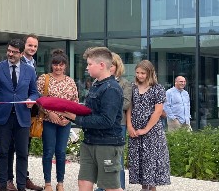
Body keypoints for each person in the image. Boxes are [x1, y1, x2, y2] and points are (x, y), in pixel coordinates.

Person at [59, 47, 124, 191]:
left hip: (107, 144)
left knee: (111, 186)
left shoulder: (111, 88)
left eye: (89, 64)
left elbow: (106, 121)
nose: (87, 68)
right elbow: (90, 112)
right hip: (90, 141)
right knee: (83, 182)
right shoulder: (97, 86)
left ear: (101, 65)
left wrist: (76, 118)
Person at [0, 39, 39, 191]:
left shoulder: (29, 70)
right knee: (3, 152)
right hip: (2, 117)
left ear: (21, 53)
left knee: (23, 153)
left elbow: (34, 92)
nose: (10, 54)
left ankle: (22, 185)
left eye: (14, 52)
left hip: (22, 117)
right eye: (9, 50)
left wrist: (32, 99)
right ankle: (3, 184)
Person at [36, 50, 78, 191]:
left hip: (65, 123)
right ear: (51, 65)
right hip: (49, 121)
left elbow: (75, 103)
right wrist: (50, 113)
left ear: (65, 66)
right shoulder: (44, 79)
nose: (58, 68)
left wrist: (67, 118)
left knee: (61, 152)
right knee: (48, 151)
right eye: (55, 64)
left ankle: (60, 183)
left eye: (61, 65)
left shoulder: (70, 82)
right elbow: (39, 100)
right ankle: (48, 183)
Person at [127, 60, 171, 190]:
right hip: (135, 130)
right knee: (138, 160)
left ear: (150, 73)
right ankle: (143, 187)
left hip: (152, 131)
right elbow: (129, 107)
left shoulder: (158, 89)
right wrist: (129, 126)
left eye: (143, 73)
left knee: (151, 161)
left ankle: (151, 188)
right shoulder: (132, 87)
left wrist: (146, 129)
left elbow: (158, 112)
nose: (140, 75)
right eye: (137, 73)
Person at [10, 34, 42, 191]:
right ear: (23, 47)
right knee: (9, 148)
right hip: (10, 112)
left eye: (35, 46)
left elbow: (33, 89)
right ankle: (8, 180)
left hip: (26, 112)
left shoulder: (33, 64)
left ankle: (24, 178)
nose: (33, 49)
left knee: (24, 148)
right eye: (30, 45)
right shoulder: (16, 61)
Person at [96, 53, 132, 191]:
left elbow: (126, 104)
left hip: (118, 125)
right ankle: (103, 186)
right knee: (102, 156)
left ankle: (119, 186)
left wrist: (108, 105)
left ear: (117, 67)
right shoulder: (98, 82)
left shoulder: (125, 84)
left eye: (112, 65)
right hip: (101, 123)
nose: (109, 68)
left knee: (117, 158)